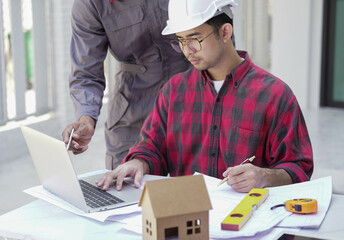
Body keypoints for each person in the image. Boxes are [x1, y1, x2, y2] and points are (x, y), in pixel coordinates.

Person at [96, 0, 313, 193]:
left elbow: (299, 167)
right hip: (187, 220)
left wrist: (265, 176)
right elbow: (151, 148)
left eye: (194, 38)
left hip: (248, 223)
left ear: (225, 32)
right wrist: (139, 163)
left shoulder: (274, 95)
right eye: (180, 41)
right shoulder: (174, 92)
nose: (187, 50)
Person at [62, 0, 190, 169]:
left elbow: (217, 34)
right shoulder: (90, 4)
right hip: (133, 105)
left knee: (197, 186)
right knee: (123, 184)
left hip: (194, 95)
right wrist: (86, 118)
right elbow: (86, 72)